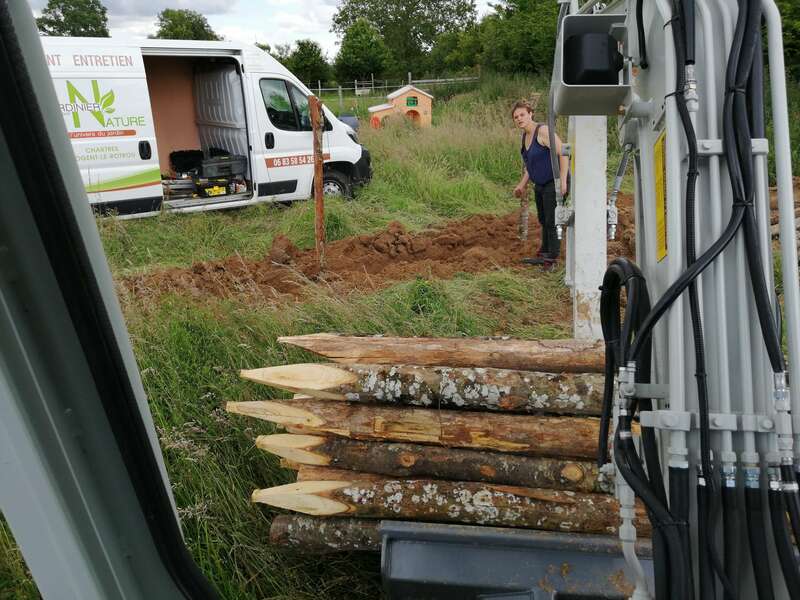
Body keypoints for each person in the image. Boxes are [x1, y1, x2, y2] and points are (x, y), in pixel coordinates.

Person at [511, 100, 569, 268]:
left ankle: (553, 258)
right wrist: (521, 185)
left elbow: (563, 152)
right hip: (540, 183)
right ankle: (545, 252)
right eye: (516, 117)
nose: (519, 119)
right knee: (544, 219)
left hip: (554, 181)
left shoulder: (542, 131)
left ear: (530, 114)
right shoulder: (525, 136)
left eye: (522, 114)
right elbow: (531, 166)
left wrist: (563, 181)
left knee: (552, 220)